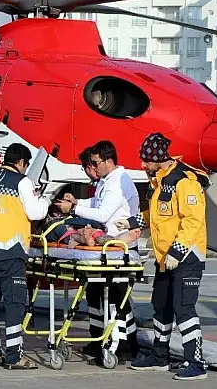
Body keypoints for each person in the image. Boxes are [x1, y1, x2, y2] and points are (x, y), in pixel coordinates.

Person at [116, 132, 210, 381]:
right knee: (161, 307)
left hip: (186, 257)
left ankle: (196, 362)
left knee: (184, 308)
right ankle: (160, 356)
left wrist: (177, 251)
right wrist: (131, 222)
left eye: (146, 160)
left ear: (158, 158)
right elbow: (155, 215)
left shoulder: (185, 181)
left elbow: (193, 220)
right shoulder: (159, 181)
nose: (143, 165)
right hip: (164, 258)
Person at [55, 140, 140, 364]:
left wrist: (73, 209)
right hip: (104, 247)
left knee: (116, 298)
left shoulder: (119, 182)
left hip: (119, 248)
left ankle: (124, 345)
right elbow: (96, 201)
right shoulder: (107, 181)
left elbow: (102, 214)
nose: (92, 167)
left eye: (95, 162)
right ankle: (98, 338)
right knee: (95, 294)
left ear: (108, 161)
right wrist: (78, 201)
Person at [0, 143, 51, 370]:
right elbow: (35, 212)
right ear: (21, 163)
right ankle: (15, 356)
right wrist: (43, 201)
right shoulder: (22, 182)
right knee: (15, 303)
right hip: (9, 251)